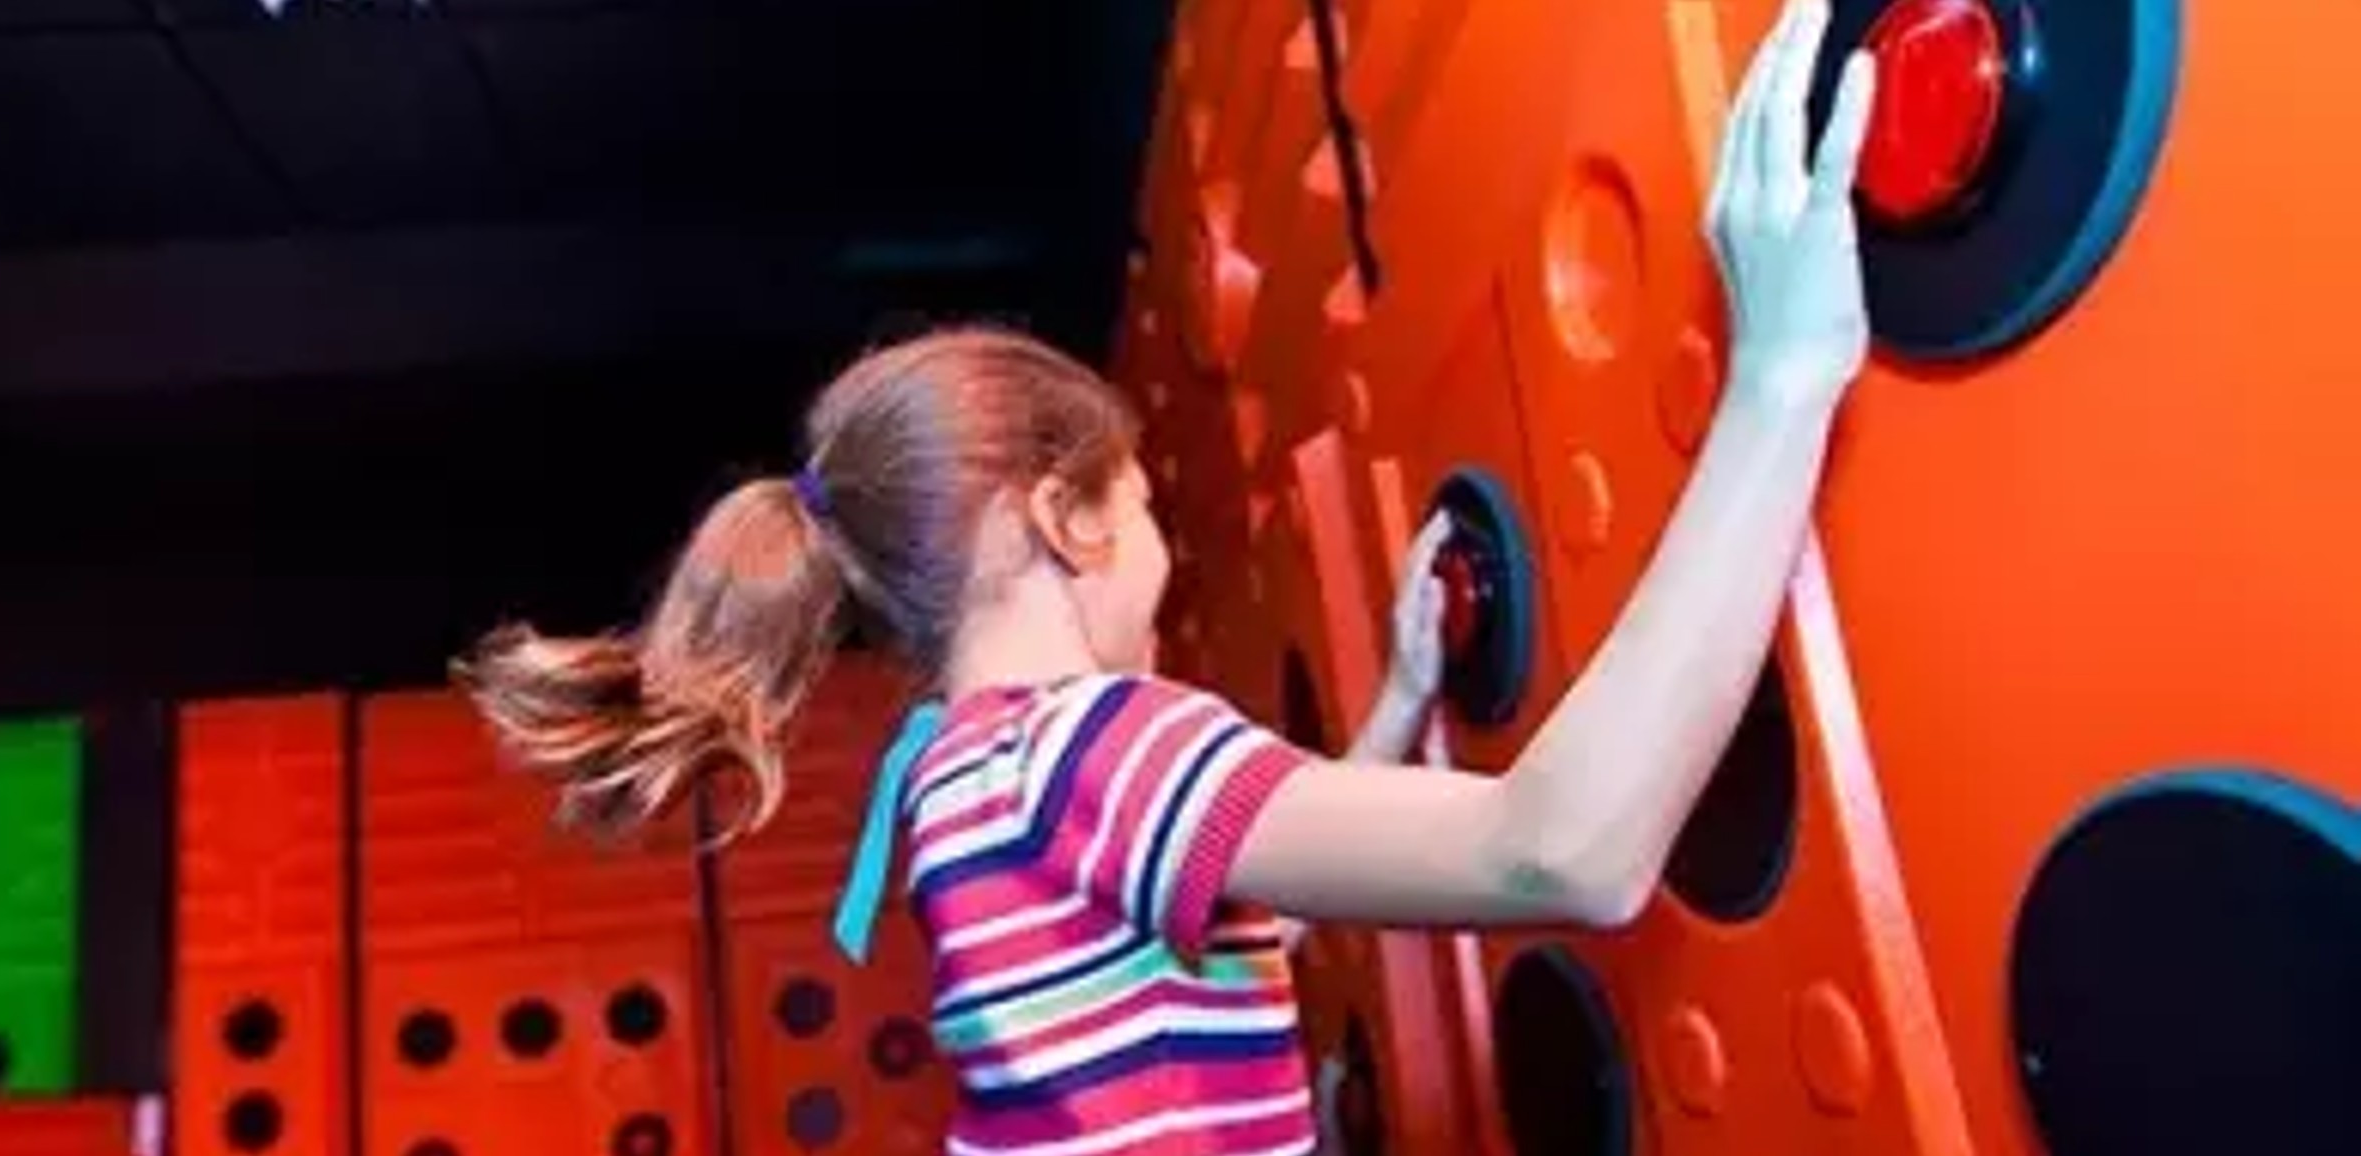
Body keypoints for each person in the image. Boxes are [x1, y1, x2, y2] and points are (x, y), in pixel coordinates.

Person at [454, 1, 1877, 1151]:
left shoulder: (960, 777)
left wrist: (1391, 704)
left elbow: (1242, 905)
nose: (1163, 555)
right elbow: (1568, 855)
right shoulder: (1092, 753)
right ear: (1066, 522)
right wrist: (1781, 379)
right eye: (1143, 512)